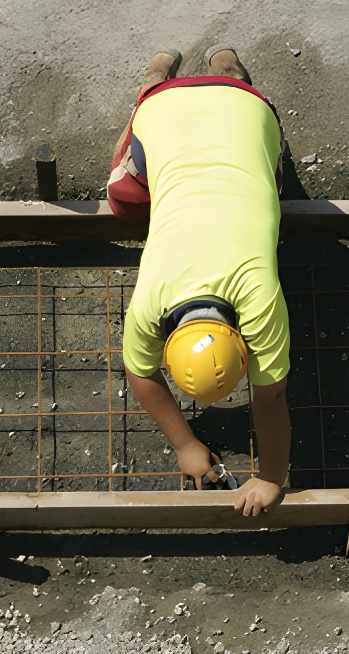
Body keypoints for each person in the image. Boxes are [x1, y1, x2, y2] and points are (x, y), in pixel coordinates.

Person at [107, 46, 291, 516]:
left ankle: (190, 76)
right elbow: (267, 399)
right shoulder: (153, 300)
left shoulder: (258, 294)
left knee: (128, 201)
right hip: (210, 104)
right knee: (125, 198)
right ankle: (191, 74)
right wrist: (186, 444)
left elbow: (270, 401)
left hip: (247, 104)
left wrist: (269, 478)